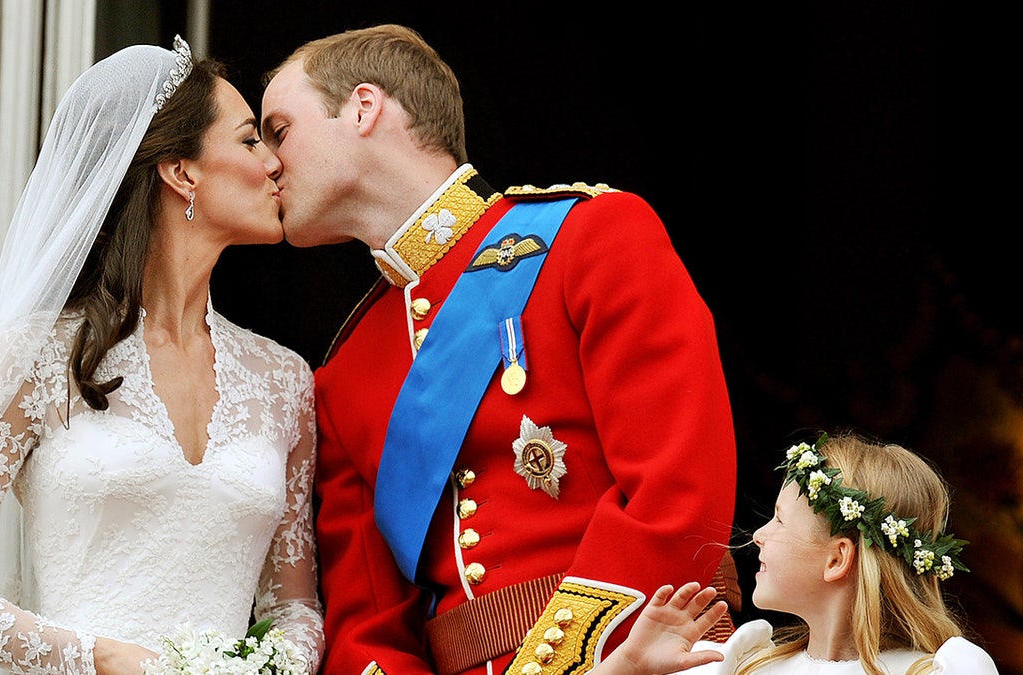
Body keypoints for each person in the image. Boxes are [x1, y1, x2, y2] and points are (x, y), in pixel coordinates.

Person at [0, 36, 323, 675]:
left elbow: (295, 609)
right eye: (251, 140)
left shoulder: (285, 381)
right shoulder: (36, 354)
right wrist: (101, 659)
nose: (275, 163)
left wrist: (265, 669)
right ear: (182, 172)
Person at [259, 23, 739, 675]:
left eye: (278, 130)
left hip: (637, 653)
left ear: (363, 108)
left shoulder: (591, 238)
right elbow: (366, 624)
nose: (265, 162)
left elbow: (678, 494)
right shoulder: (344, 372)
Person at [596, 431, 1000, 674]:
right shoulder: (740, 664)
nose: (758, 535)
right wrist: (628, 665)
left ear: (837, 560)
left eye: (779, 520)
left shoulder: (939, 670)